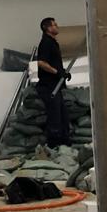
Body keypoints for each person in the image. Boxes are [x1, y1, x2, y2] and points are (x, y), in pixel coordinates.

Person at [36, 16, 71, 148]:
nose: (57, 26)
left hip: (56, 86)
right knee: (55, 118)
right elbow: (41, 63)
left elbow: (53, 63)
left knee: (63, 117)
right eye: (54, 25)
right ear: (47, 28)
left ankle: (64, 144)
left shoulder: (53, 42)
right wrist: (57, 72)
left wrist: (63, 72)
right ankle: (54, 146)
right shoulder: (46, 43)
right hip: (49, 87)